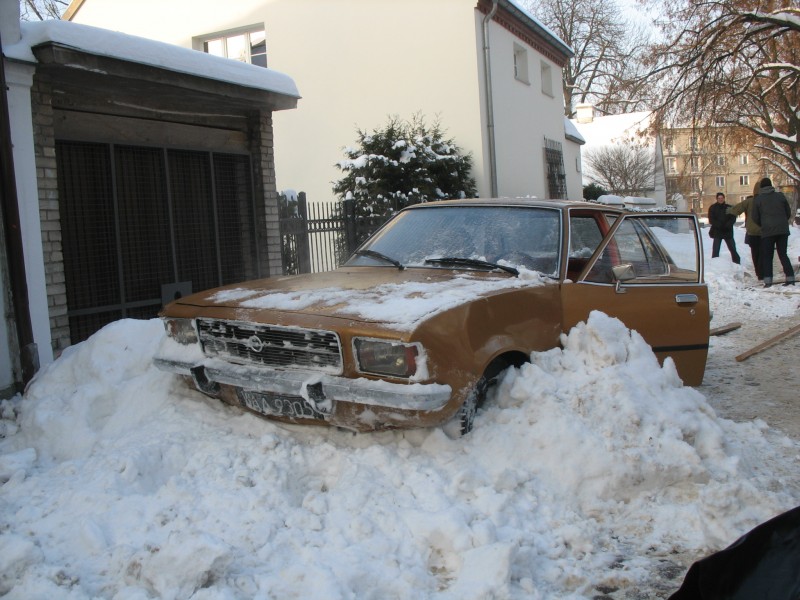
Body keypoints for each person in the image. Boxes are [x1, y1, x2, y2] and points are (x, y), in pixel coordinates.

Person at [752, 177, 795, 287]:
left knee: (767, 256)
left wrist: (763, 224)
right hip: (782, 230)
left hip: (767, 232)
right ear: (771, 185)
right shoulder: (780, 196)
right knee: (783, 254)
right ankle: (790, 278)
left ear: (761, 187)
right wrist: (782, 222)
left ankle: (768, 281)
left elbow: (754, 217)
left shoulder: (758, 199)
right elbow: (788, 212)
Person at [727, 182, 762, 279]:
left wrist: (728, 210)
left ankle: (759, 272)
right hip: (765, 231)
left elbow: (736, 209)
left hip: (752, 231)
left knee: (755, 253)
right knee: (765, 252)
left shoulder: (749, 201)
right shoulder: (767, 200)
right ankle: (765, 271)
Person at [707, 192, 740, 264]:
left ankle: (737, 263)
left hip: (728, 231)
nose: (720, 199)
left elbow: (733, 218)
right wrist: (718, 225)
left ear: (724, 198)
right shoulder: (713, 208)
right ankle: (714, 264)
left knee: (733, 249)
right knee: (715, 250)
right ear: (717, 199)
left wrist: (727, 225)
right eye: (719, 198)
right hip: (717, 231)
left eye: (722, 198)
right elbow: (711, 219)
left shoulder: (729, 207)